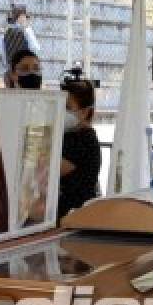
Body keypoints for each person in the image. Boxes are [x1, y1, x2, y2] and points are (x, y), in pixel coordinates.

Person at [57, 79, 101, 218]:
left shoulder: (83, 139)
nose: (61, 112)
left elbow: (50, 170)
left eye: (67, 107)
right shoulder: (71, 135)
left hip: (76, 213)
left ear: (85, 112)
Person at [1, 7, 42, 85]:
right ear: (21, 18)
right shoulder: (26, 31)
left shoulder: (6, 34)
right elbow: (36, 49)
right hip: (25, 73)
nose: (27, 20)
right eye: (25, 17)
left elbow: (4, 58)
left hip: (11, 72)